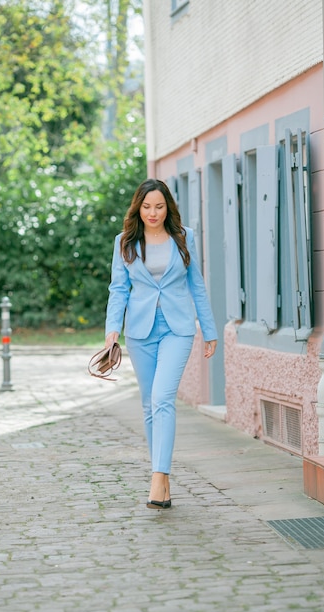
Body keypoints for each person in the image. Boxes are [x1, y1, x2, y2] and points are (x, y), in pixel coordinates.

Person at [104, 178, 217, 510]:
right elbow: (118, 289)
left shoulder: (184, 238)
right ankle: (163, 481)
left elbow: (196, 284)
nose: (153, 213)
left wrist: (208, 329)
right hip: (140, 331)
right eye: (146, 206)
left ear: (168, 207)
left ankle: (157, 477)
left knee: (162, 397)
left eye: (159, 206)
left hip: (177, 328)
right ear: (138, 208)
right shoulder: (124, 241)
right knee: (149, 405)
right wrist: (112, 329)